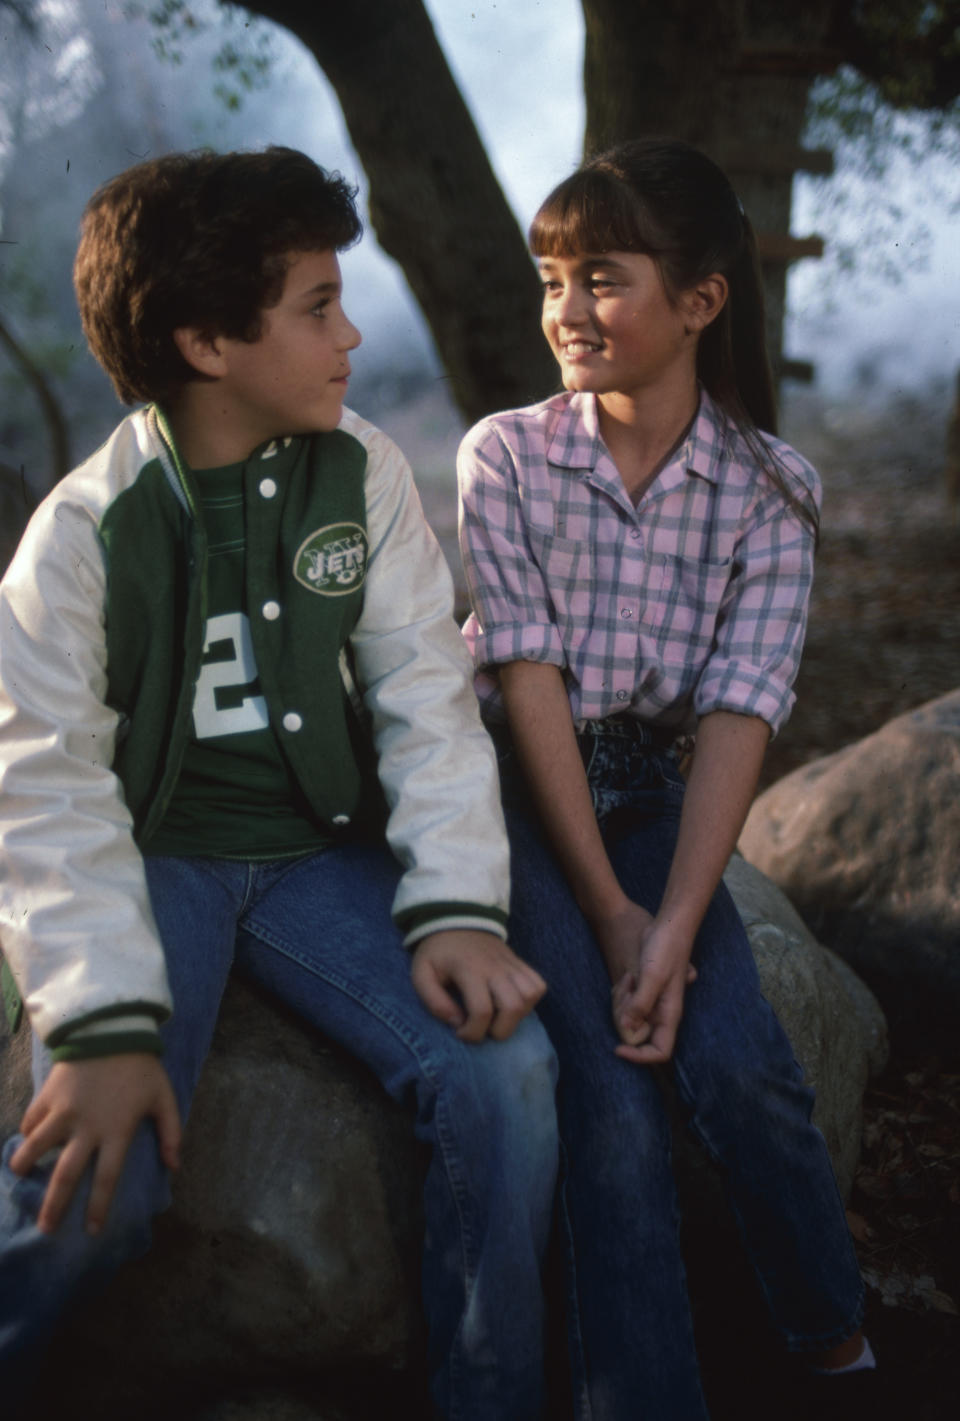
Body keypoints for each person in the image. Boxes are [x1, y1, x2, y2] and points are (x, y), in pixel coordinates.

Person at [0, 146, 559, 1419]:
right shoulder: (84, 536)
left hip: (319, 855)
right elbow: (43, 784)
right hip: (159, 859)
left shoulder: (359, 474)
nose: (351, 332)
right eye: (318, 304)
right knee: (102, 1174)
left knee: (507, 1075)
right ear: (207, 341)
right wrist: (96, 1018)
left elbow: (426, 699)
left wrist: (460, 904)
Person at [457, 137, 873, 1420]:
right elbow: (524, 681)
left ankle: (834, 1344)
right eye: (551, 278)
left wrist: (680, 921)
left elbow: (740, 717)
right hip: (518, 793)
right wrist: (610, 911)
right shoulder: (509, 457)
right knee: (613, 1098)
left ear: (700, 301)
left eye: (603, 278)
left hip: (653, 792)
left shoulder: (769, 492)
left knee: (742, 1059)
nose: (566, 311)